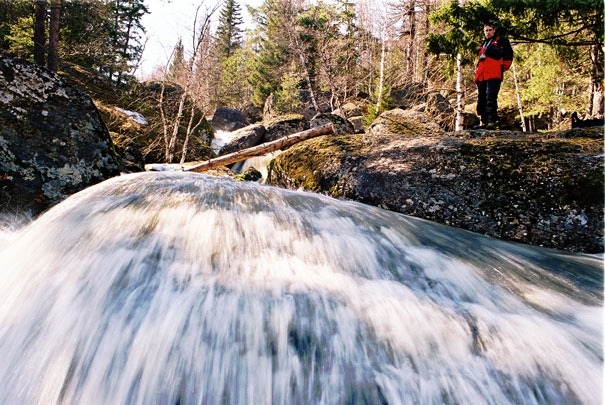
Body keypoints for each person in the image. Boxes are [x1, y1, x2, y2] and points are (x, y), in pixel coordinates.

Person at [474, 23, 513, 129]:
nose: (488, 32)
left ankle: (492, 122)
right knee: (482, 98)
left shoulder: (501, 41)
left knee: (491, 97)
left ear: (494, 30)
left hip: (494, 74)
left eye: (490, 30)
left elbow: (508, 57)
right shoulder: (483, 43)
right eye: (486, 30)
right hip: (482, 75)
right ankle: (484, 122)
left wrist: (499, 68)